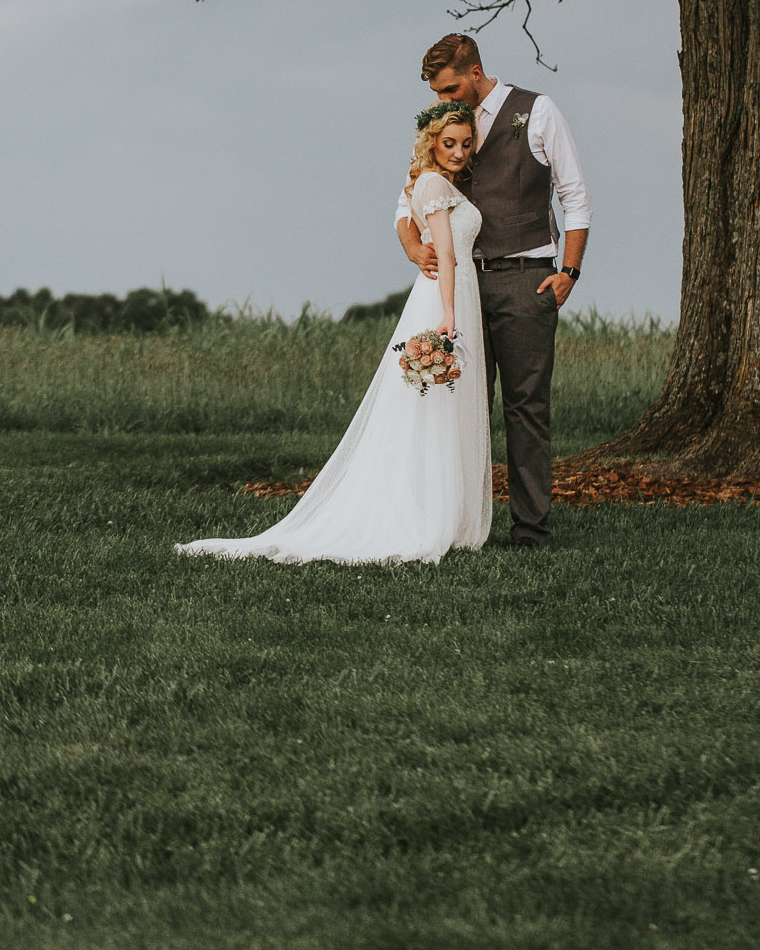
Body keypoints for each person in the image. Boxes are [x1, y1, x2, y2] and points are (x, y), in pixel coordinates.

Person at [176, 105, 492, 566]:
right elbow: (445, 252)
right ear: (431, 142)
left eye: (466, 144)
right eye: (450, 143)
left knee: (443, 406)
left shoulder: (435, 184)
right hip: (446, 295)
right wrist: (449, 314)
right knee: (432, 406)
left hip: (454, 291)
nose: (459, 152)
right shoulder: (433, 185)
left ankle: (445, 510)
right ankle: (428, 514)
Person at [396, 34, 591, 549]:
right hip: (460, 286)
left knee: (526, 408)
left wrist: (569, 271)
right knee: (459, 406)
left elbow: (575, 197)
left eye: (451, 88)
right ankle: (457, 527)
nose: (445, 100)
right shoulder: (443, 124)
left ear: (476, 72)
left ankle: (530, 530)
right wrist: (414, 248)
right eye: (438, 93)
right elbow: (405, 202)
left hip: (527, 279)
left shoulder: (538, 111)